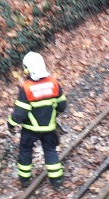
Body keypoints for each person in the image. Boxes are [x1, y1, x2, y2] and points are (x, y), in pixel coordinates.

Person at [7, 52, 67, 188]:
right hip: (49, 127)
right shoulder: (54, 83)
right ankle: (57, 180)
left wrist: (11, 124)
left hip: (30, 130)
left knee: (25, 151)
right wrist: (52, 114)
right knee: (50, 151)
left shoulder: (27, 88)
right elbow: (62, 106)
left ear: (27, 69)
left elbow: (20, 113)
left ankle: (24, 179)